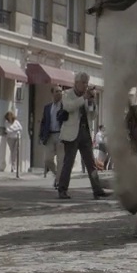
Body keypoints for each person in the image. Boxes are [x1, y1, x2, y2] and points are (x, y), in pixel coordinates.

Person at [55, 72, 109, 200]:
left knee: (91, 163)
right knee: (68, 162)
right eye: (83, 82)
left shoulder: (86, 97)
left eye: (87, 82)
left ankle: (97, 190)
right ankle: (62, 189)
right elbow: (69, 107)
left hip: (85, 132)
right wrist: (83, 98)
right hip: (71, 133)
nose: (85, 85)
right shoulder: (67, 94)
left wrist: (92, 102)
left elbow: (92, 115)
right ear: (76, 83)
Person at [39, 87, 65, 181]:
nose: (59, 93)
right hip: (49, 135)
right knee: (47, 159)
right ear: (52, 93)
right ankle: (57, 174)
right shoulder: (48, 107)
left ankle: (58, 181)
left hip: (61, 136)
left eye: (60, 91)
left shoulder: (64, 106)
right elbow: (43, 122)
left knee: (60, 160)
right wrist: (41, 136)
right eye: (57, 91)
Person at [2, 110, 23, 175]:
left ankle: (14, 167)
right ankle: (13, 167)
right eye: (8, 116)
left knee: (15, 152)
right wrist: (15, 130)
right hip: (10, 138)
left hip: (17, 138)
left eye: (11, 115)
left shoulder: (16, 122)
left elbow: (21, 128)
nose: (10, 117)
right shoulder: (6, 122)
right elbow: (8, 130)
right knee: (12, 152)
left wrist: (12, 130)